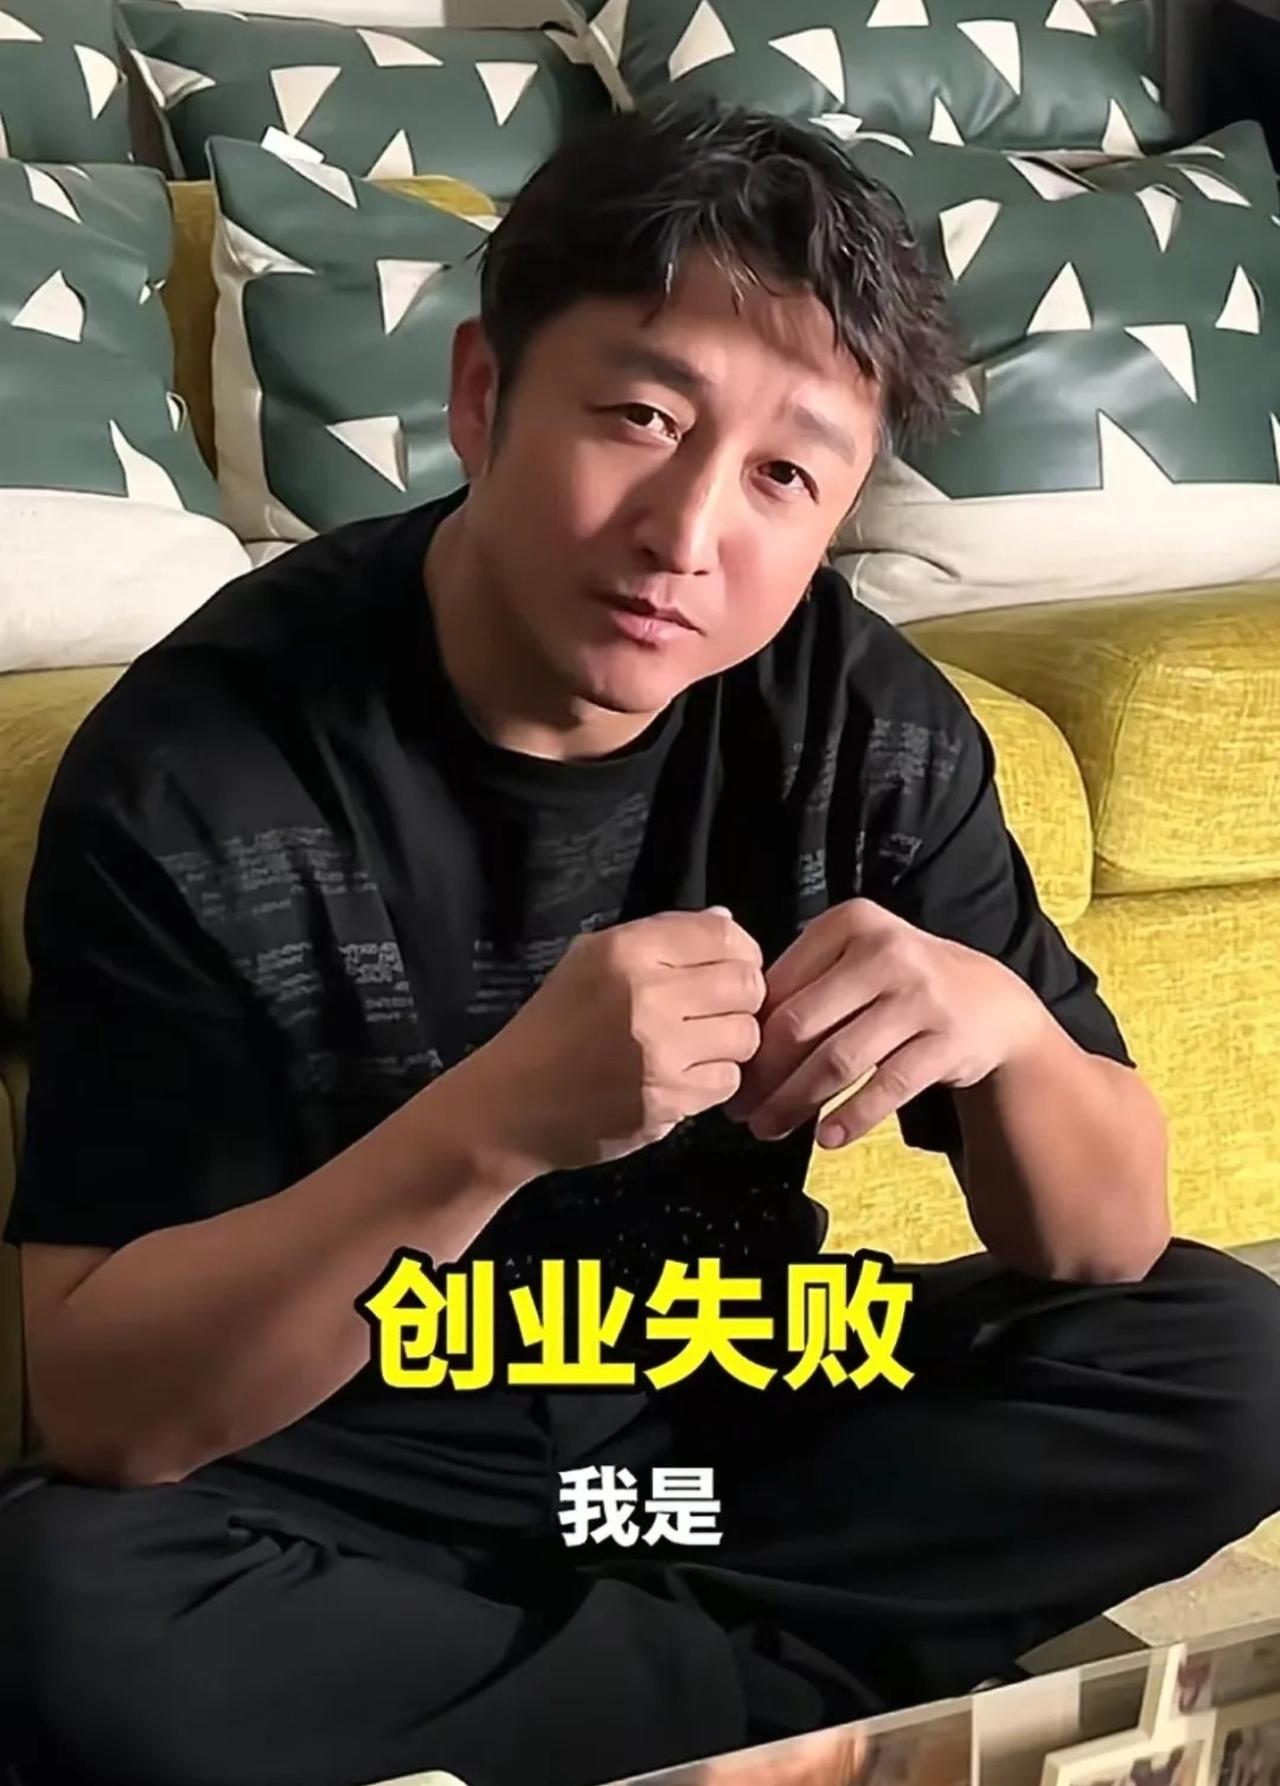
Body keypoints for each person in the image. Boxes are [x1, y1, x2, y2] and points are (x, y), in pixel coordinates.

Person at [0, 101, 1277, 1786]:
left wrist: (1006, 1032)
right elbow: (103, 1406)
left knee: (1231, 1358)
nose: (687, 535)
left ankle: (578, 1699)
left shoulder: (857, 717)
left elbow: (1107, 1240)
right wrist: (489, 1126)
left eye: (783, 475)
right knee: (51, 1603)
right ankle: (786, 1700)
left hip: (723, 1413)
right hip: (350, 1463)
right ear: (482, 395)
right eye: (640, 416)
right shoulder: (203, 770)